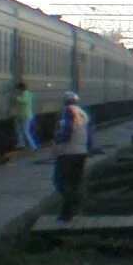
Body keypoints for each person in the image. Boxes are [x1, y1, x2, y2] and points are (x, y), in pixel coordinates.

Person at [52, 91, 93, 222]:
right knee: (74, 183)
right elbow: (90, 135)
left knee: (59, 181)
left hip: (68, 153)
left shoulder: (69, 111)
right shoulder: (83, 113)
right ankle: (67, 215)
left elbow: (67, 130)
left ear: (65, 101)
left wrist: (59, 139)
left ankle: (74, 201)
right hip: (81, 152)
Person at [11, 80, 39, 151]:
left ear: (21, 88)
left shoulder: (27, 94)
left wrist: (15, 98)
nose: (17, 90)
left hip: (26, 116)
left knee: (25, 131)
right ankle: (21, 143)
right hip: (19, 115)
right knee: (18, 130)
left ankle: (33, 147)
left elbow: (23, 100)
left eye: (18, 88)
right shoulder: (22, 94)